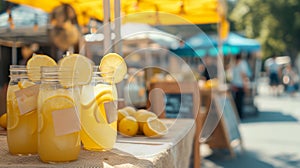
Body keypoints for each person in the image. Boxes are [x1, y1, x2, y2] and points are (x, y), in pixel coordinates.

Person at [230, 54, 249, 119]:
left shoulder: (234, 65)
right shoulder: (242, 64)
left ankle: (236, 115)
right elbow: (243, 75)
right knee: (240, 102)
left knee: (236, 101)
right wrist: (246, 85)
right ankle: (240, 115)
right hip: (240, 85)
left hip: (234, 85)